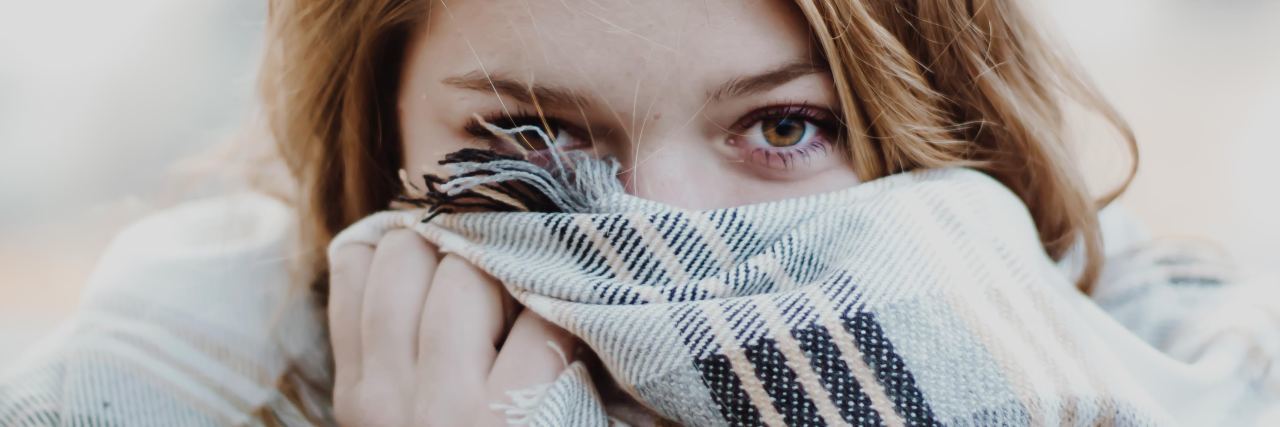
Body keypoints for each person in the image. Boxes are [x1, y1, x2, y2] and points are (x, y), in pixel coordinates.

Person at [2, 0, 1276, 425]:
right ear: (374, 145)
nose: (653, 237)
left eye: (784, 127)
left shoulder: (1195, 377)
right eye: (529, 140)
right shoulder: (167, 370)